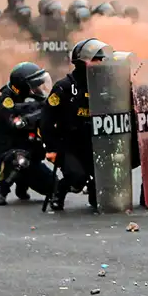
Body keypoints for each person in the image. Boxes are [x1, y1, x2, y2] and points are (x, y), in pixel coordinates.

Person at [40, 38, 114, 212]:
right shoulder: (64, 88)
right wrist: (51, 148)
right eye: (95, 59)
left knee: (103, 183)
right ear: (81, 61)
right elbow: (47, 119)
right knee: (77, 178)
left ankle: (94, 192)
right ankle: (60, 190)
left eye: (101, 60)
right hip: (69, 144)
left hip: (95, 142)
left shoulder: (107, 85)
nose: (99, 64)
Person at [0, 62, 56, 206]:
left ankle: (22, 184)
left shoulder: (36, 99)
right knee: (20, 159)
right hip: (7, 152)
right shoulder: (5, 101)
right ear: (23, 86)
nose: (39, 88)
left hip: (32, 154)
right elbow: (17, 123)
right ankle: (2, 190)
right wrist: (34, 115)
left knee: (54, 187)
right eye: (34, 85)